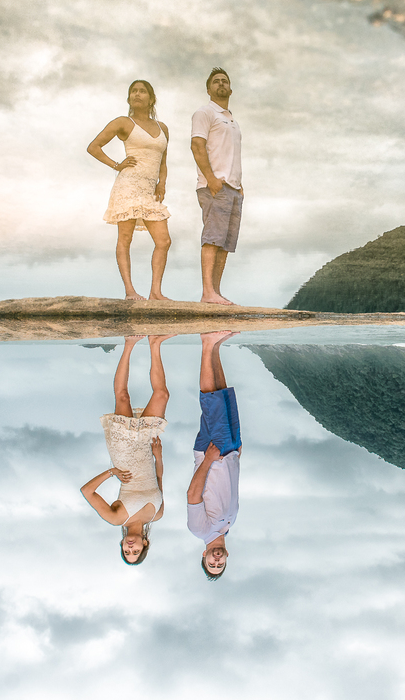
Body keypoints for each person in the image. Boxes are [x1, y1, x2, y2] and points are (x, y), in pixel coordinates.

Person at [80, 334, 172, 564]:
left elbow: (87, 491)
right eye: (136, 552)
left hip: (124, 454)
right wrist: (158, 457)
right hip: (146, 452)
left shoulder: (116, 518)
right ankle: (155, 343)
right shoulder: (157, 514)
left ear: (121, 544)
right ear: (145, 544)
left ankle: (129, 343)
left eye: (126, 552)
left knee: (123, 397)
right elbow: (159, 479)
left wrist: (112, 472)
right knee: (162, 395)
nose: (131, 548)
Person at [87, 80, 173, 301]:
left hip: (149, 191)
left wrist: (162, 183)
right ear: (129, 98)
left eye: (142, 91)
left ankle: (155, 292)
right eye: (133, 91)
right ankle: (130, 291)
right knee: (125, 238)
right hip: (128, 186)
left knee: (164, 241)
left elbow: (163, 161)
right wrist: (116, 165)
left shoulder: (163, 128)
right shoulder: (123, 122)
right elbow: (93, 147)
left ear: (151, 99)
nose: (137, 94)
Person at [187, 330, 241, 579]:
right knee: (223, 397)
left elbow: (193, 495)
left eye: (211, 564)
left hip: (212, 455)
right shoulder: (229, 525)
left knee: (210, 400)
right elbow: (230, 488)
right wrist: (237, 458)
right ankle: (216, 347)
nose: (216, 561)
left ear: (204, 556)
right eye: (220, 565)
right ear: (228, 557)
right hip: (229, 454)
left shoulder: (200, 530)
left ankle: (206, 342)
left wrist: (208, 459)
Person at [190, 68, 242, 305]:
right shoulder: (205, 112)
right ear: (208, 89)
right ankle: (207, 292)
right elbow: (197, 145)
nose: (221, 84)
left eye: (225, 81)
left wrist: (239, 185)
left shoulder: (232, 120)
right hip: (214, 186)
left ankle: (216, 293)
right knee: (212, 238)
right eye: (216, 81)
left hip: (233, 187)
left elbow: (230, 154)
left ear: (230, 89)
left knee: (225, 243)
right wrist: (211, 178)